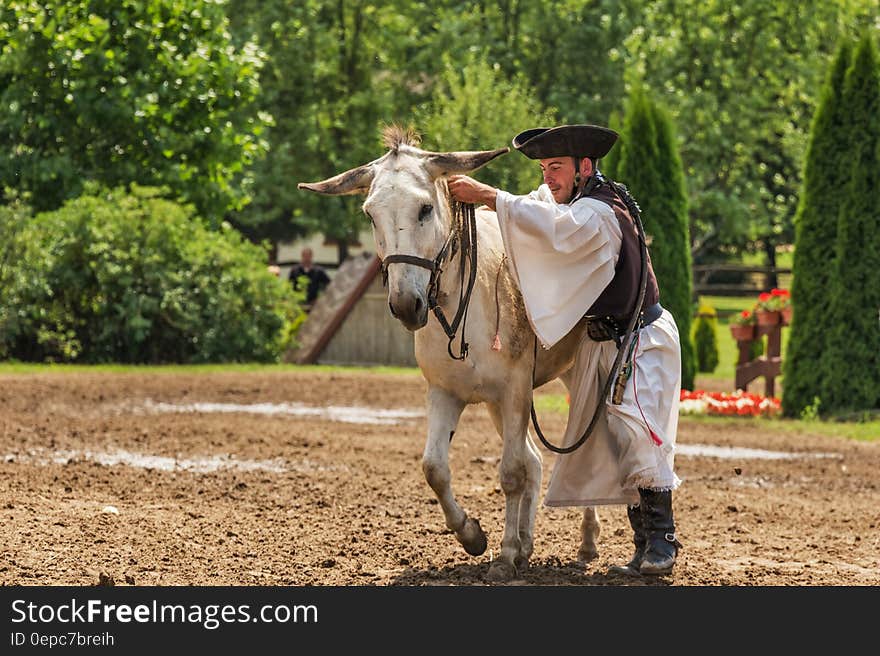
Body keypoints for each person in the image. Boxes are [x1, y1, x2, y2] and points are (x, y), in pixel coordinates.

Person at [448, 124, 682, 576]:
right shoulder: (574, 203)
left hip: (638, 339)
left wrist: (490, 196)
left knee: (638, 433)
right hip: (603, 341)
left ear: (585, 168)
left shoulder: (596, 213)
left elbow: (555, 230)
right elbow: (539, 211)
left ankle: (662, 542)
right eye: (543, 168)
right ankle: (643, 547)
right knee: (617, 442)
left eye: (556, 167)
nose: (548, 176)